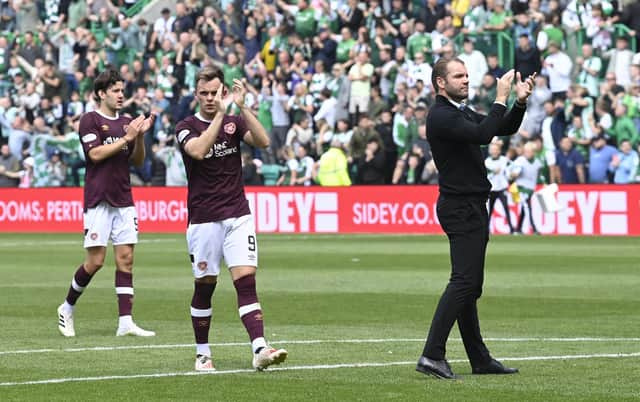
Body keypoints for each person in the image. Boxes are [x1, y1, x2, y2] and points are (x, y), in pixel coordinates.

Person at [416, 57, 534, 379]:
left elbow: (500, 128)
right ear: (440, 82)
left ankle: (479, 359)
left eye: (467, 75)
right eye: (458, 76)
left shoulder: (458, 111)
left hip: (470, 205)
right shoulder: (441, 116)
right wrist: (499, 97)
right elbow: (484, 134)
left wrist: (519, 102)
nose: (466, 80)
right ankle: (431, 354)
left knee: (469, 286)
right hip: (460, 206)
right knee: (465, 283)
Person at [174, 66, 287, 372]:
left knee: (246, 281)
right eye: (205, 93)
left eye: (215, 93)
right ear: (197, 94)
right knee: (205, 286)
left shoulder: (235, 121)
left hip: (237, 214)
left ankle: (260, 347)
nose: (210, 99)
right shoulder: (185, 126)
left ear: (223, 92)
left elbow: (263, 141)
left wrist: (243, 106)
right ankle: (202, 353)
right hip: (203, 219)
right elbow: (198, 151)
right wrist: (222, 117)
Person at [56, 67, 156, 338]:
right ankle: (66, 307)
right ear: (101, 93)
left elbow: (136, 161)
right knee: (96, 261)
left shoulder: (126, 123)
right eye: (115, 90)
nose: (121, 95)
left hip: (124, 198)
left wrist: (140, 136)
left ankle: (126, 322)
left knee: (126, 260)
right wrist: (126, 137)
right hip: (99, 198)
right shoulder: (89, 120)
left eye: (122, 90)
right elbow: (96, 154)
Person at [485, 142, 515, 233]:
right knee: (488, 210)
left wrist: (511, 175)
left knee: (506, 208)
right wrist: (493, 172)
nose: (494, 152)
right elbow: (485, 175)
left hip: (502, 188)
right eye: (492, 150)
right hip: (492, 189)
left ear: (499, 151)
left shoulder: (504, 160)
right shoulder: (487, 162)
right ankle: (486, 229)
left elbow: (513, 167)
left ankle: (511, 229)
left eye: (496, 150)